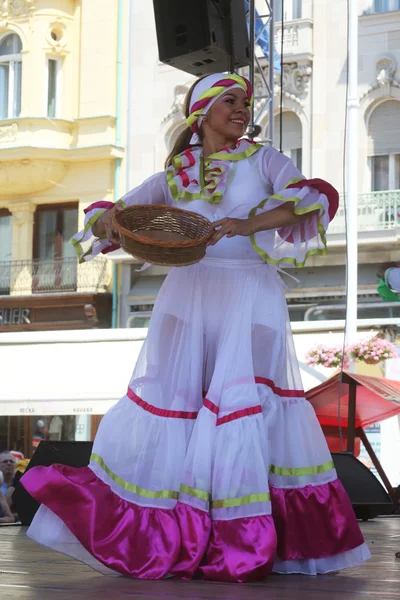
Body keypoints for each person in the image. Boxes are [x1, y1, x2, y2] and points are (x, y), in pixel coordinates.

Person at [21, 73, 370, 582]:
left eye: (245, 102)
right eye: (230, 101)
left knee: (243, 408)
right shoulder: (175, 174)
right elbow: (112, 214)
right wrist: (109, 224)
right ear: (201, 113)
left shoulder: (265, 159)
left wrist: (246, 225)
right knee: (180, 406)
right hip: (189, 296)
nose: (242, 110)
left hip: (249, 293)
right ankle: (183, 533)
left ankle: (247, 536)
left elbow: (308, 200)